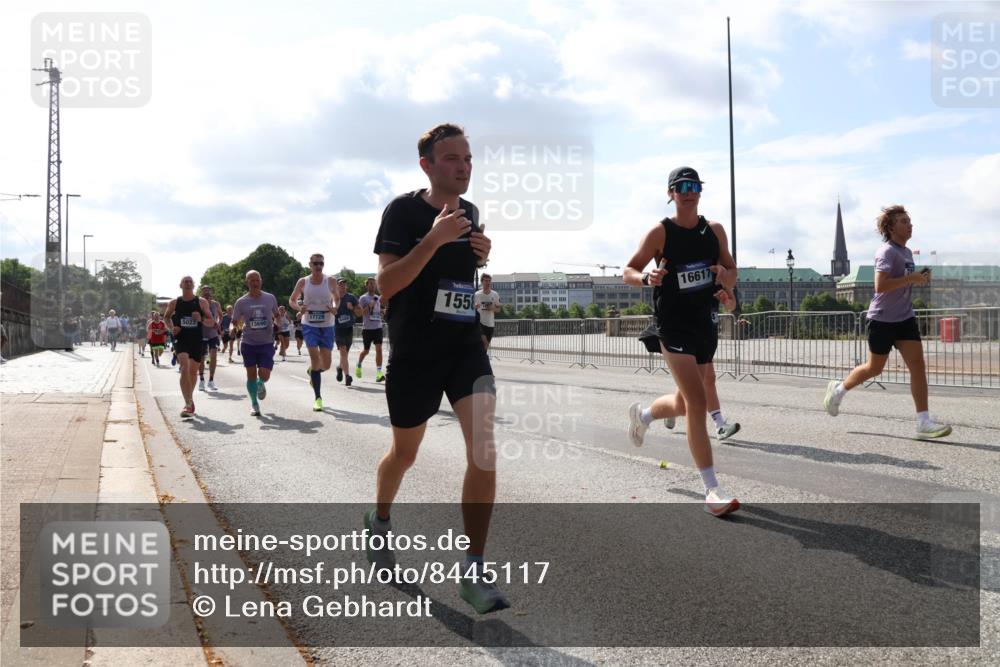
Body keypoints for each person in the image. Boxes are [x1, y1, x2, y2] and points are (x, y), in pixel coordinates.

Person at [368, 123, 505, 613]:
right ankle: (380, 518)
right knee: (404, 454)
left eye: (468, 158)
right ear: (426, 164)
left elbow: (458, 279)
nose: (463, 166)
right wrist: (433, 239)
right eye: (452, 158)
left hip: (464, 345)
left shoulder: (470, 213)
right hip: (415, 352)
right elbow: (387, 285)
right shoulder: (402, 212)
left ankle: (473, 569)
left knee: (484, 450)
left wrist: (480, 253)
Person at [624, 166, 740, 517]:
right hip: (672, 326)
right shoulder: (660, 232)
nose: (689, 192)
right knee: (697, 401)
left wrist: (726, 279)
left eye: (694, 186)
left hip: (705, 324)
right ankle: (712, 489)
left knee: (684, 402)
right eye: (682, 186)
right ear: (671, 193)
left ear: (700, 191)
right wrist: (647, 277)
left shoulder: (714, 230)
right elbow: (628, 270)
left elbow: (732, 273)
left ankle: (644, 416)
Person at [824, 205, 951, 439]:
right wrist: (910, 278)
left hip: (905, 318)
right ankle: (838, 390)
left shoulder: (907, 252)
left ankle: (923, 421)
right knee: (874, 368)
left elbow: (903, 282)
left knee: (918, 366)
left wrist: (919, 279)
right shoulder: (886, 252)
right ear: (891, 227)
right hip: (882, 319)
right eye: (904, 221)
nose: (910, 224)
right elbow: (880, 285)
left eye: (909, 220)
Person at [289, 254, 340, 412]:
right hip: (309, 324)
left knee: (326, 365)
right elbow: (292, 300)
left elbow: (337, 298)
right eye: (315, 263)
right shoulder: (303, 282)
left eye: (321, 263)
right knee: (314, 358)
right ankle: (318, 398)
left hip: (327, 325)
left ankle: (313, 371)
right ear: (310, 265)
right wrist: (300, 308)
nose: (318, 266)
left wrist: (335, 307)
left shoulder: (330, 281)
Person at [163, 277, 215, 418]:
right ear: (180, 285)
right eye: (185, 281)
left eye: (190, 281)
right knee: (184, 368)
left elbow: (212, 322)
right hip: (181, 338)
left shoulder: (201, 302)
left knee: (193, 372)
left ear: (193, 285)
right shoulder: (174, 302)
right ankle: (187, 404)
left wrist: (201, 319)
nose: (188, 283)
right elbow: (166, 317)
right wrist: (172, 328)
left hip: (196, 339)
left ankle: (189, 400)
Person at [233, 270, 280, 417]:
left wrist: (277, 324)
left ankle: (261, 383)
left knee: (265, 375)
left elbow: (277, 315)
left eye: (257, 280)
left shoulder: (270, 298)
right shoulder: (241, 302)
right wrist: (234, 328)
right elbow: (235, 321)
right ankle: (254, 404)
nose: (255, 283)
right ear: (247, 282)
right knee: (251, 375)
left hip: (266, 342)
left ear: (261, 281)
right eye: (251, 280)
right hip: (248, 343)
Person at [355, 277, 386, 382]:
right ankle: (359, 364)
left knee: (379, 349)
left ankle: (379, 373)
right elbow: (360, 313)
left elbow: (378, 311)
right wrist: (369, 306)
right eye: (370, 284)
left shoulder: (378, 297)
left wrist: (382, 313)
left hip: (378, 327)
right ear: (366, 285)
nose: (373, 285)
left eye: (374, 283)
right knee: (366, 351)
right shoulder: (363, 298)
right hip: (367, 329)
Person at [334, 278, 361, 386]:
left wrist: (352, 308)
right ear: (337, 286)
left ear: (347, 286)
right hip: (338, 328)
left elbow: (359, 313)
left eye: (344, 284)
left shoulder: (351, 297)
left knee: (345, 354)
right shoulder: (333, 298)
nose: (343, 286)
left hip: (349, 328)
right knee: (343, 352)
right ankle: (347, 376)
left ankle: (340, 368)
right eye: (340, 284)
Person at [198, 286, 223, 391]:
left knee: (213, 356)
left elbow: (221, 316)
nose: (207, 293)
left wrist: (218, 324)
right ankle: (201, 380)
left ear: (211, 292)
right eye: (205, 291)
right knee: (202, 358)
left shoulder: (216, 304)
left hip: (213, 334)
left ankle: (211, 381)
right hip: (202, 334)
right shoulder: (199, 303)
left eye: (208, 291)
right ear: (201, 293)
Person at [473, 273, 500, 350]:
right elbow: (471, 308)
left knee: (485, 346)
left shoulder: (495, 294)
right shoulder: (476, 294)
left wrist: (492, 308)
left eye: (489, 281)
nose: (488, 283)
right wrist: (475, 306)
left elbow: (498, 310)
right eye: (486, 281)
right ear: (482, 282)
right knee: (485, 343)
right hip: (480, 323)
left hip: (490, 324)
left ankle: (480, 357)